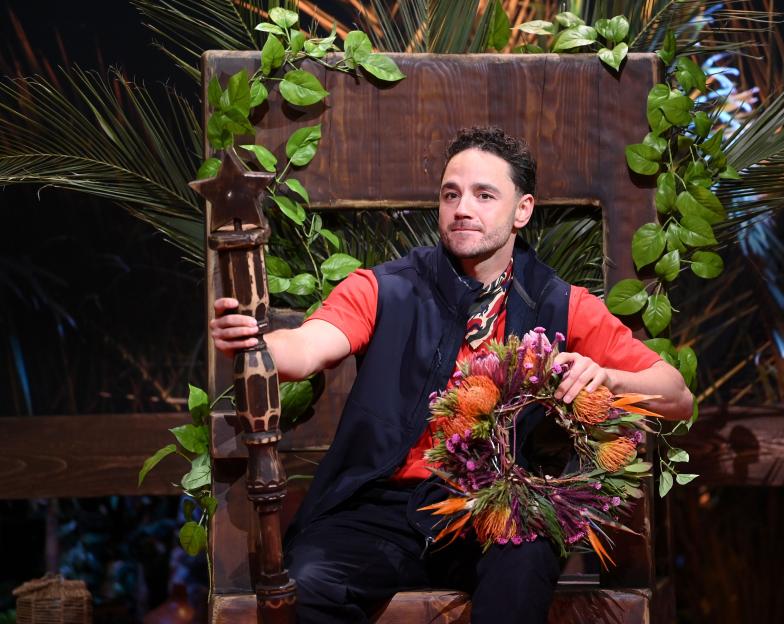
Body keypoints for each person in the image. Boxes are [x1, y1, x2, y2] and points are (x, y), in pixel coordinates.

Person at [210, 126, 693, 623]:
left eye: (485, 195)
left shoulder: (563, 304)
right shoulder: (385, 288)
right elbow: (308, 348)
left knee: (526, 560)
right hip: (381, 509)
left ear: (522, 210)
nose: (463, 207)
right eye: (451, 194)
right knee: (310, 585)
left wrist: (608, 379)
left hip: (496, 510)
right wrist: (256, 342)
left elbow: (678, 396)